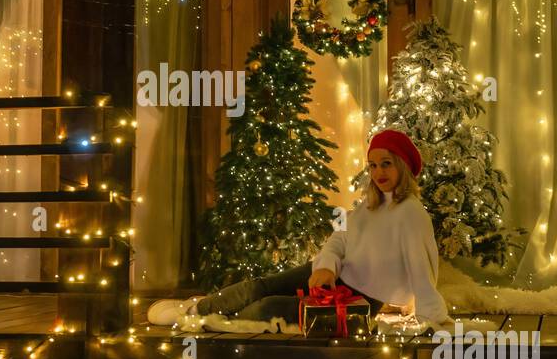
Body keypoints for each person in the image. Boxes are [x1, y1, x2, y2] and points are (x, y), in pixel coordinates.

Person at [148, 128, 452, 331]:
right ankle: (195, 311)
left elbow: (422, 272)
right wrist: (327, 268)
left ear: (402, 166)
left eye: (386, 164)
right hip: (330, 277)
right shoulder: (367, 205)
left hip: (357, 300)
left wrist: (433, 320)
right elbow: (338, 240)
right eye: (372, 166)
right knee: (258, 286)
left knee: (267, 308)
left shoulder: (411, 214)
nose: (378, 173)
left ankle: (212, 322)